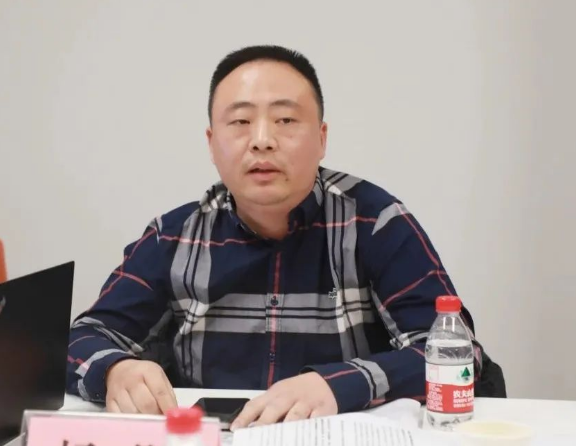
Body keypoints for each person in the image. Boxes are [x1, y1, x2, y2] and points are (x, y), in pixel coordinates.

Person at [67, 45, 504, 429]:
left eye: (285, 119)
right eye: (240, 121)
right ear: (212, 143)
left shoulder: (374, 222)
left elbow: (455, 353)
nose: (262, 141)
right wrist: (114, 371)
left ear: (321, 138)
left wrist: (336, 385)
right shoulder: (174, 237)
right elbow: (82, 338)